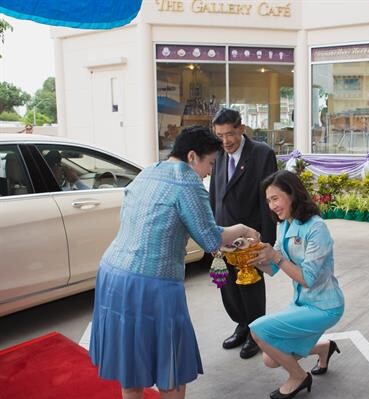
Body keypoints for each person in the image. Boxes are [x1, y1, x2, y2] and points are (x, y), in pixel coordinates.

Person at [89, 126, 260, 399]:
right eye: (210, 163)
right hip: (151, 281)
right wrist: (242, 229)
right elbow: (211, 239)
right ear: (192, 156)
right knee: (171, 363)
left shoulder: (148, 171)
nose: (209, 172)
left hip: (113, 273)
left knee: (130, 362)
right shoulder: (187, 182)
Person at [249, 170, 345, 399]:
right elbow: (272, 269)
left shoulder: (316, 227)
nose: (271, 206)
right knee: (270, 358)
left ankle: (299, 377)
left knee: (257, 330)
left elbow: (307, 279)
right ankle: (324, 347)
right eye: (268, 201)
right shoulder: (284, 225)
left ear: (292, 195)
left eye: (275, 198)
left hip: (325, 306)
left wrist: (275, 256)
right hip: (301, 302)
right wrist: (249, 258)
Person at [209, 108, 278, 359]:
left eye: (230, 134)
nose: (226, 141)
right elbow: (215, 194)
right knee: (228, 287)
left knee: (250, 286)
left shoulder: (262, 154)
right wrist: (211, 231)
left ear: (241, 128)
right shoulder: (217, 154)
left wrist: (266, 241)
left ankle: (256, 333)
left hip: (251, 236)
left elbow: (268, 200)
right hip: (223, 233)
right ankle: (241, 324)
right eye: (220, 135)